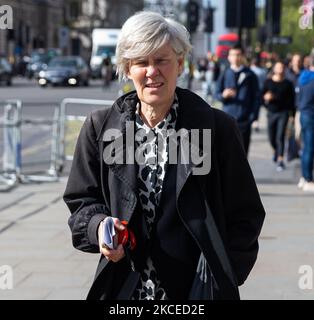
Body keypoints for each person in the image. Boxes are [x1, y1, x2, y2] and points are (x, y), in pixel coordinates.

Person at [63, 11, 265, 300]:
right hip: (125, 289)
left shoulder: (216, 128)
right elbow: (81, 201)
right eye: (141, 62)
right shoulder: (100, 127)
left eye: (161, 60)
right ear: (127, 68)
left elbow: (246, 214)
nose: (151, 71)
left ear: (180, 64)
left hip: (196, 293)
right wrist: (98, 228)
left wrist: (224, 273)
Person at [216, 44, 259, 155]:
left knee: (243, 154)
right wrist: (223, 95)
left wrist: (253, 117)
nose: (235, 57)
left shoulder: (250, 74)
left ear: (243, 56)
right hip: (227, 119)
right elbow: (216, 93)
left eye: (238, 55)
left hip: (244, 120)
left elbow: (256, 97)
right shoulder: (225, 73)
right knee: (227, 153)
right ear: (229, 57)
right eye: (233, 55)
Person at [262, 61, 296, 171]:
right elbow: (261, 97)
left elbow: (292, 101)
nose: (280, 69)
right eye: (278, 67)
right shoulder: (268, 82)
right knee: (271, 137)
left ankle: (281, 160)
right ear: (274, 69)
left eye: (282, 67)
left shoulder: (288, 84)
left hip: (284, 112)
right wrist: (266, 99)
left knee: (280, 136)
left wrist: (292, 115)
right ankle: (276, 151)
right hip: (271, 112)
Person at [297, 54, 314, 192]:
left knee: (306, 147)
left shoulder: (303, 77)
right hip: (311, 115)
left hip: (303, 114)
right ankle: (308, 178)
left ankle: (304, 177)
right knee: (309, 148)